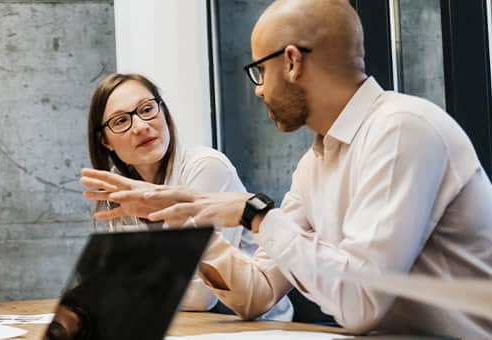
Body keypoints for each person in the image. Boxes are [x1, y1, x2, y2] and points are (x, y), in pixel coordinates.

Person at [81, 0, 492, 338]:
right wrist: (192, 218)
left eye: (260, 70)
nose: (258, 89)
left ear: (292, 61)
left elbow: (361, 303)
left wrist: (255, 213)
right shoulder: (313, 166)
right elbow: (257, 295)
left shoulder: (401, 129)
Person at [82, 73, 291, 320]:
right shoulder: (116, 186)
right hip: (176, 326)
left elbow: (201, 296)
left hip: (252, 326)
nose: (140, 126)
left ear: (163, 111)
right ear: (105, 141)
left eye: (147, 109)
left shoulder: (206, 167)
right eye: (120, 121)